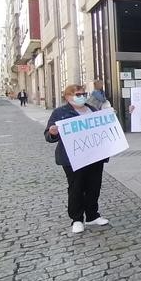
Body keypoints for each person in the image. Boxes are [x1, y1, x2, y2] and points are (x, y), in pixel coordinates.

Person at [44, 84, 109, 234]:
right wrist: (53, 132)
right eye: (78, 94)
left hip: (94, 156)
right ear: (67, 97)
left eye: (83, 93)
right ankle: (77, 219)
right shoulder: (60, 112)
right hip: (72, 158)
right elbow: (49, 135)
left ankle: (93, 215)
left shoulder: (92, 109)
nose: (82, 96)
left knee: (94, 186)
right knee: (76, 188)